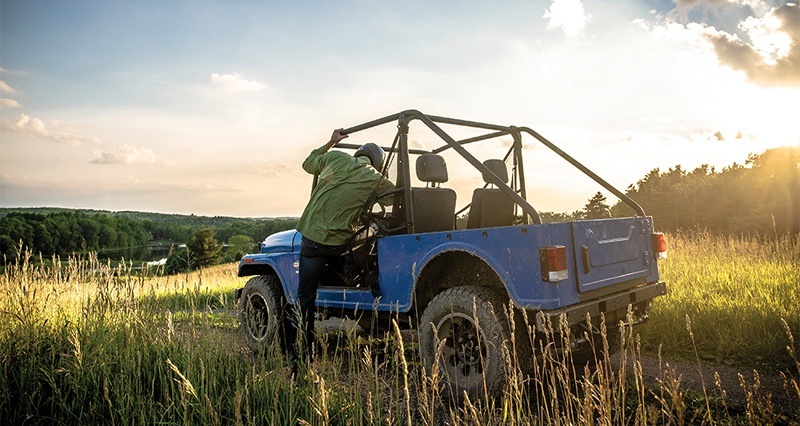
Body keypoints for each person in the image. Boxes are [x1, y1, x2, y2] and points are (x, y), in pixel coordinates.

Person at [290, 128, 394, 367]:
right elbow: (395, 200)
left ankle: (301, 356)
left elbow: (308, 163)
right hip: (339, 246)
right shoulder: (376, 179)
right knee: (366, 243)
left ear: (358, 153)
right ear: (377, 163)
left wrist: (331, 142)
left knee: (304, 297)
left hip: (312, 240)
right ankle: (368, 292)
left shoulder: (334, 157)